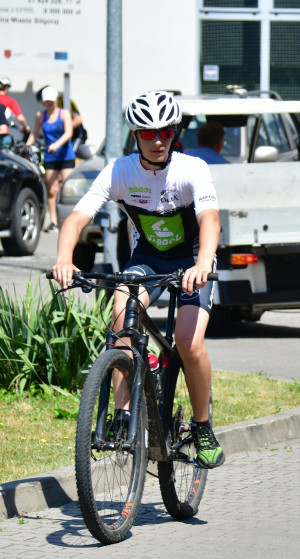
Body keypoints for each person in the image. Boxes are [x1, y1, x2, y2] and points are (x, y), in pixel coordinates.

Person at [51, 90, 225, 469]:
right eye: (148, 133)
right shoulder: (120, 171)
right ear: (136, 136)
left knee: (188, 343)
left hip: (194, 258)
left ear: (175, 131)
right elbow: (77, 218)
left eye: (165, 131)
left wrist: (204, 263)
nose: (158, 139)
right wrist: (65, 258)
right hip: (147, 259)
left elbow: (210, 219)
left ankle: (202, 427)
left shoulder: (191, 168)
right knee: (120, 322)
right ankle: (123, 414)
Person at [27, 86, 75, 232]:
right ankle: (54, 221)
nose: (49, 103)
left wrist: (57, 144)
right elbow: (35, 132)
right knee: (52, 190)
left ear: (56, 100)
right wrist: (27, 145)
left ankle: (70, 219)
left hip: (65, 155)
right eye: (46, 101)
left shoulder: (64, 114)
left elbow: (69, 132)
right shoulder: (40, 115)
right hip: (50, 156)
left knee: (67, 188)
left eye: (51, 101)